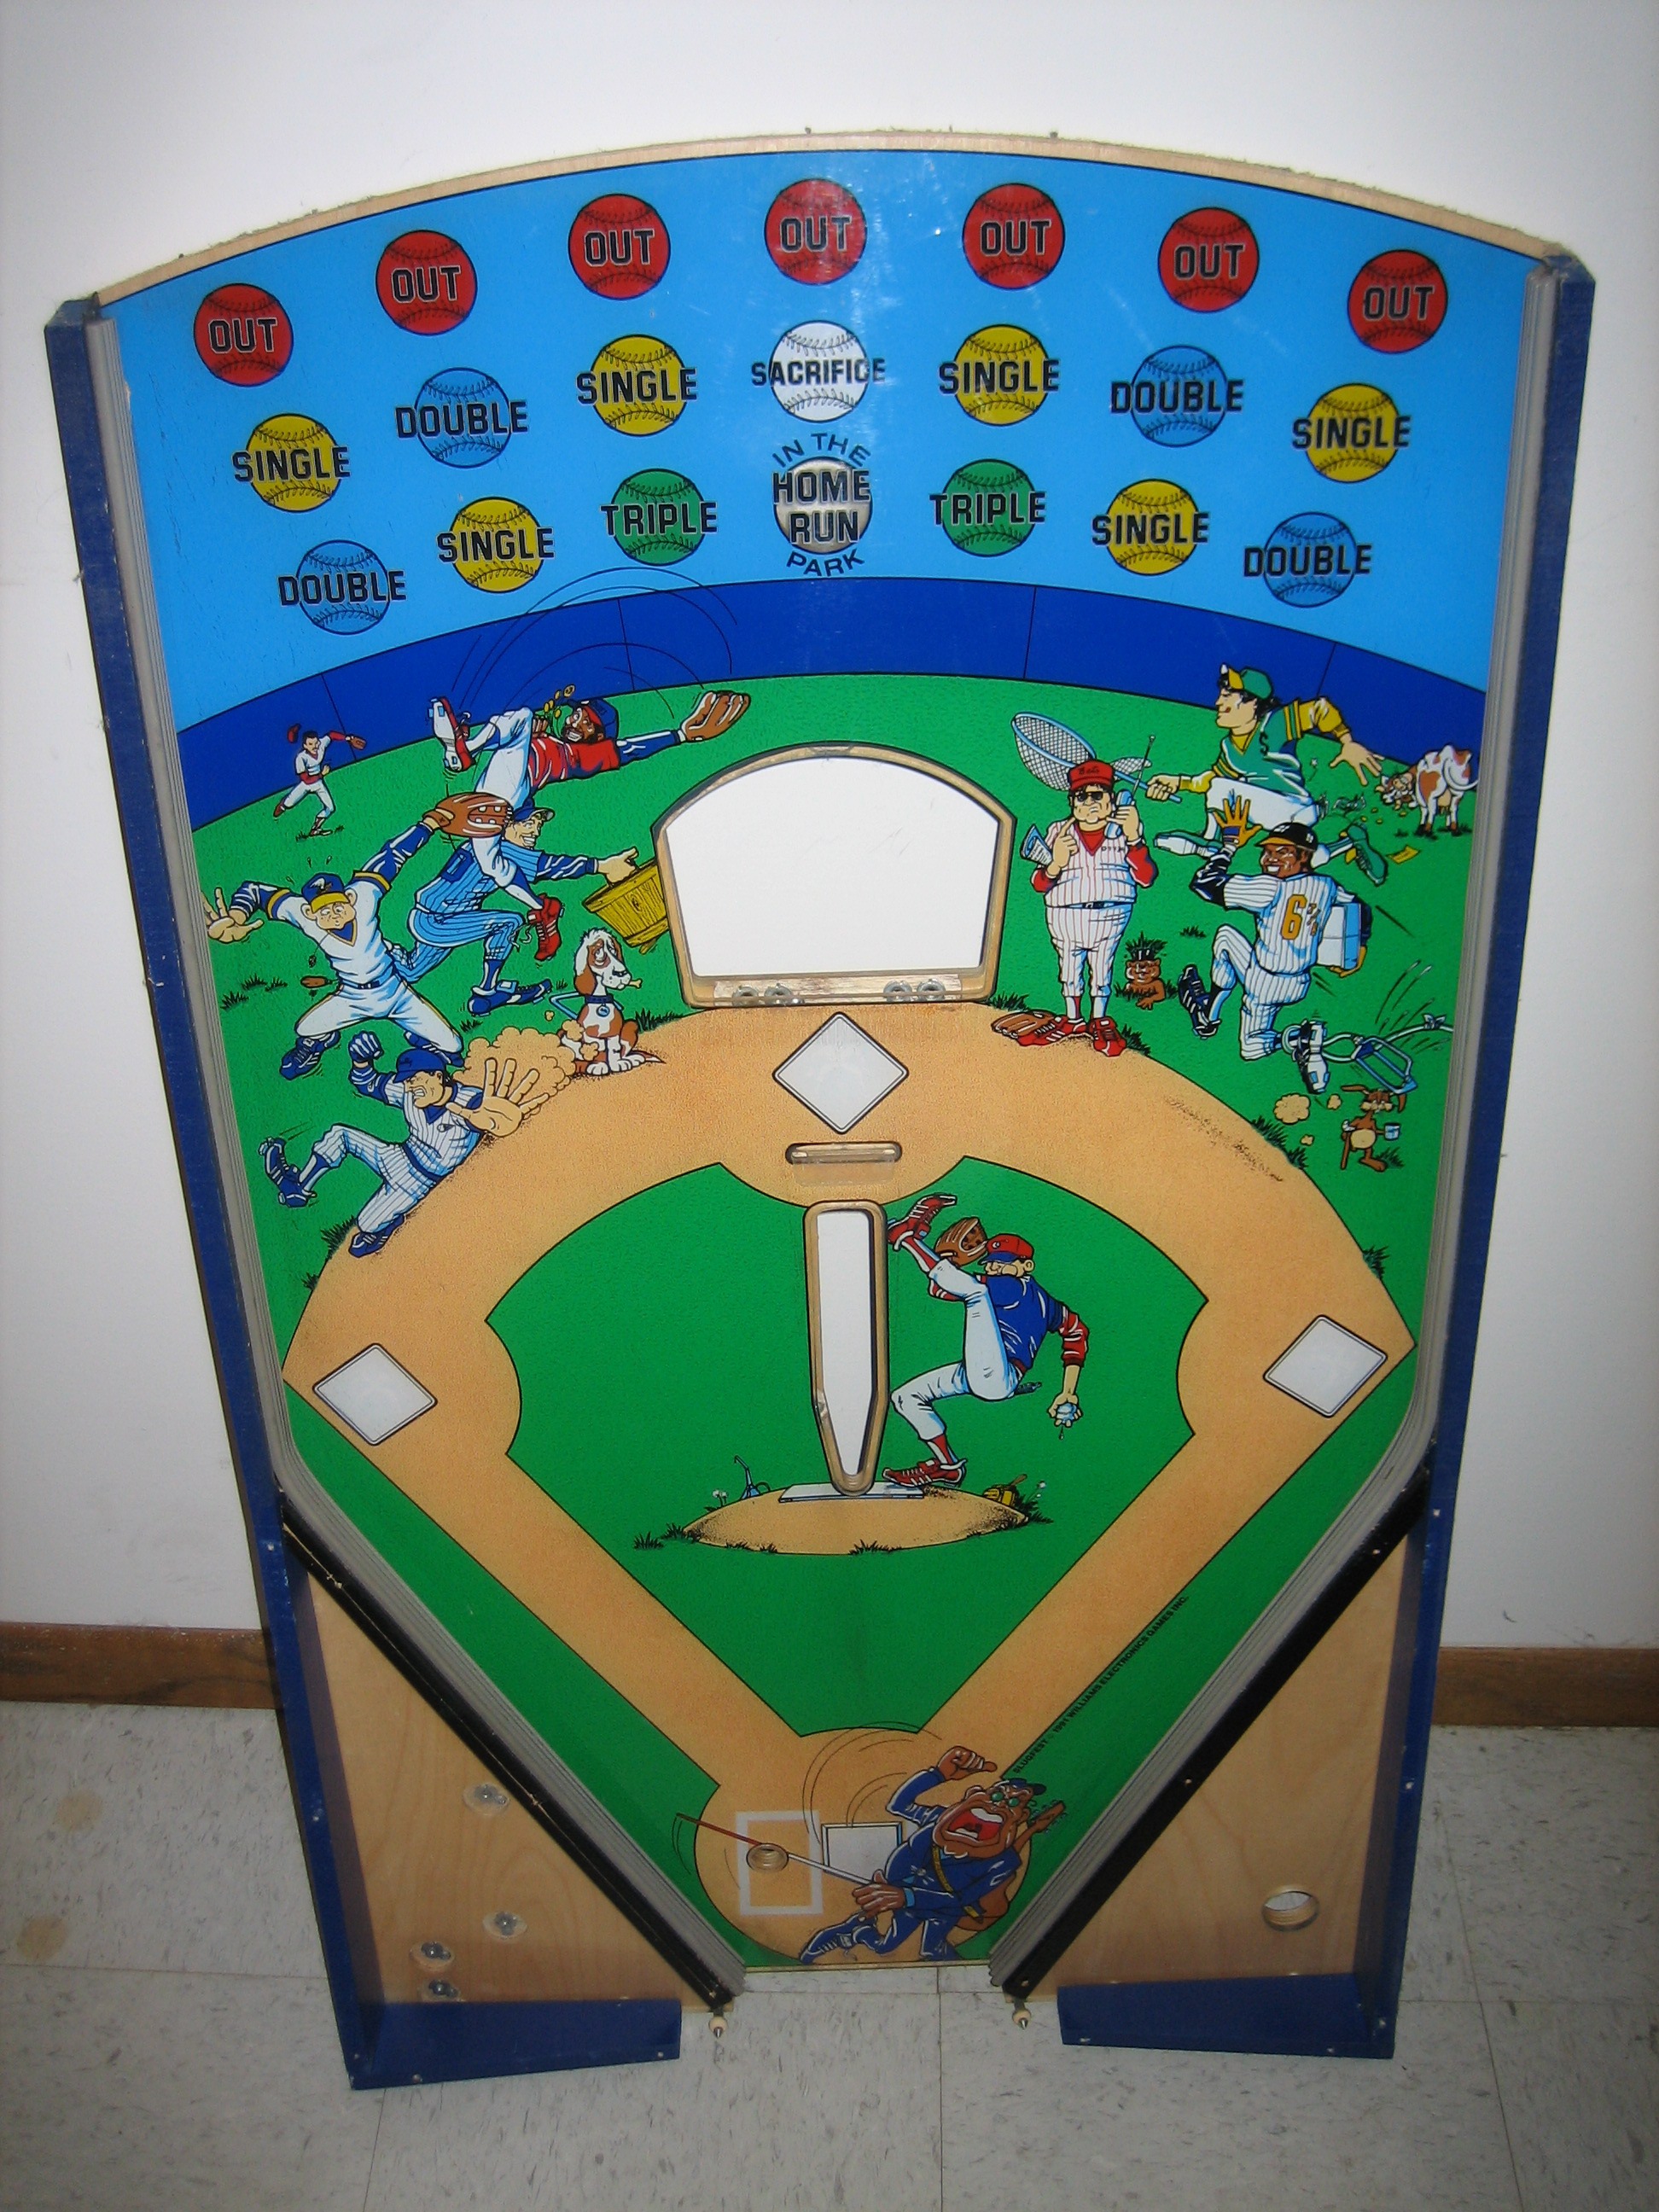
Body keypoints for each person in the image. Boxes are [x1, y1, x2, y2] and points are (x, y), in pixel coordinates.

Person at [431, 686, 748, 902]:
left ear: (597, 738)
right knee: (493, 865)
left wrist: (679, 735)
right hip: (502, 793)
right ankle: (536, 906)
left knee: (521, 719)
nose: (575, 721)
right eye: (577, 714)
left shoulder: (584, 756)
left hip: (508, 787)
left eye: (587, 723)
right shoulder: (553, 741)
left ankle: (465, 750)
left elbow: (630, 749)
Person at [201, 818, 458, 1078]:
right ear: (310, 912)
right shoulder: (303, 915)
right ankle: (318, 1045)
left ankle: (420, 1039)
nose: (333, 914)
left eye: (338, 905)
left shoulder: (364, 895)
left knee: (454, 1046)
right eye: (324, 911)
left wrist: (428, 824)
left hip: (395, 991)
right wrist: (237, 916)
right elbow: (255, 891)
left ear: (349, 898)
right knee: (305, 1028)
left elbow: (393, 854)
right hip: (353, 997)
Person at [258, 1039, 550, 1257]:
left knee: (366, 1224)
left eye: (415, 1079)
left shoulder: (469, 1101)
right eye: (407, 1081)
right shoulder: (411, 1093)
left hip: (420, 1181)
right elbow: (368, 1084)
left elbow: (499, 1120)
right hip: (398, 1156)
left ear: (438, 1075)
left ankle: (384, 1227)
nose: (410, 1087)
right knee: (340, 1135)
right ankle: (299, 1187)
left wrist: (496, 1116)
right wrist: (361, 1061)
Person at [884, 1197, 1087, 1489]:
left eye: (1002, 1264)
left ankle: (905, 1237)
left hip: (997, 1375)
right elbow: (1076, 1332)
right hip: (980, 1369)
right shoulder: (1049, 1304)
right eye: (990, 1264)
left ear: (1026, 1266)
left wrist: (921, 1246)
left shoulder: (1013, 1288)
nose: (993, 1269)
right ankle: (948, 1467)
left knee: (975, 1293)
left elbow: (956, 1287)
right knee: (905, 1397)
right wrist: (1068, 1391)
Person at [800, 1747, 1064, 1964]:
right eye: (997, 1794)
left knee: (933, 1949)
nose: (1000, 1804)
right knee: (885, 1946)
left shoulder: (1003, 1863)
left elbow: (962, 1899)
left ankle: (968, 1986)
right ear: (974, 1794)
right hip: (905, 1891)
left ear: (1020, 1817)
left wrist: (907, 1897)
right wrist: (938, 1774)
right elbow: (899, 1805)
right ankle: (856, 1932)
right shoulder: (940, 1818)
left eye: (1014, 1802)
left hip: (938, 1906)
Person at [1173, 802, 1369, 1094]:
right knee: (1226, 937)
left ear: (1304, 856)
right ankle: (1209, 1014)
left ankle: (1294, 1039)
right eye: (1267, 851)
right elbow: (1360, 908)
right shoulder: (1326, 885)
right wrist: (1359, 945)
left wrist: (1229, 847)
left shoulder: (1268, 888)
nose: (1270, 858)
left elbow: (1204, 884)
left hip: (1264, 982)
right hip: (1299, 982)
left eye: (1283, 852)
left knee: (1251, 1047)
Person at [390, 807, 638, 1015]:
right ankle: (487, 992)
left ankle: (381, 948)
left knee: (411, 970)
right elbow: (548, 866)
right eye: (528, 823)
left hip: (436, 917)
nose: (536, 832)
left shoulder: (483, 844)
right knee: (509, 922)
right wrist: (602, 866)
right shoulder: (501, 848)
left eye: (538, 825)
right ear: (507, 825)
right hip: (438, 921)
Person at [1145, 663, 1385, 878]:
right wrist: (1178, 782)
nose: (1218, 703)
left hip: (1292, 804)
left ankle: (1210, 840)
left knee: (1220, 787)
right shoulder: (1230, 746)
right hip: (1272, 811)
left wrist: (1347, 741)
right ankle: (1352, 841)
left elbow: (1320, 709)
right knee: (1302, 861)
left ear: (1253, 702)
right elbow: (1214, 777)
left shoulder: (1274, 724)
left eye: (1227, 696)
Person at [1022, 758, 1155, 1053]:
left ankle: (1099, 1018)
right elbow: (1039, 883)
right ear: (1072, 802)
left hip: (1112, 911)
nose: (1090, 803)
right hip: (1065, 912)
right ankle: (1073, 1018)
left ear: (1111, 799)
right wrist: (1056, 863)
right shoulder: (1059, 831)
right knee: (1070, 966)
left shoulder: (1124, 831)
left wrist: (1135, 837)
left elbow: (1146, 877)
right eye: (1082, 796)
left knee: (1102, 966)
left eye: (1098, 795)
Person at [271, 725, 363, 835]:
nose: (314, 746)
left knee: (330, 808)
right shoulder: (301, 758)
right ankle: (280, 809)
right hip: (306, 785)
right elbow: (306, 779)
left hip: (318, 783)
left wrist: (347, 738)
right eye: (310, 744)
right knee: (288, 804)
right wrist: (322, 774)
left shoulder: (321, 745)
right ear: (305, 745)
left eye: (316, 743)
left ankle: (315, 829)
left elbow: (331, 735)